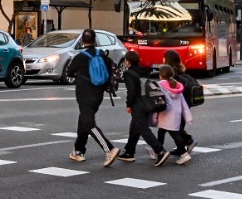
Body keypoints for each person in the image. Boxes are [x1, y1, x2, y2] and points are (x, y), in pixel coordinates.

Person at [69, 28, 120, 166]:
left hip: (84, 95)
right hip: (98, 94)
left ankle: (109, 149)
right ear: (95, 39)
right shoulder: (101, 53)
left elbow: (69, 71)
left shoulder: (81, 56)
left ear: (82, 41)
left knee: (89, 124)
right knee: (84, 121)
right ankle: (79, 151)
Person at [120, 52, 170, 166]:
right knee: (135, 127)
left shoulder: (128, 73)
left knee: (143, 129)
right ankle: (129, 151)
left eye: (125, 60)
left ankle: (160, 151)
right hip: (148, 102)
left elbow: (131, 91)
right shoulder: (144, 71)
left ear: (128, 61)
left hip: (138, 104)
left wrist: (129, 105)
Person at [157, 51, 198, 163]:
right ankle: (163, 150)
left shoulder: (168, 78)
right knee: (170, 130)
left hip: (171, 111)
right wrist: (187, 115)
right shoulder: (179, 73)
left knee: (175, 131)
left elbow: (165, 98)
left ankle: (181, 149)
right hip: (180, 107)